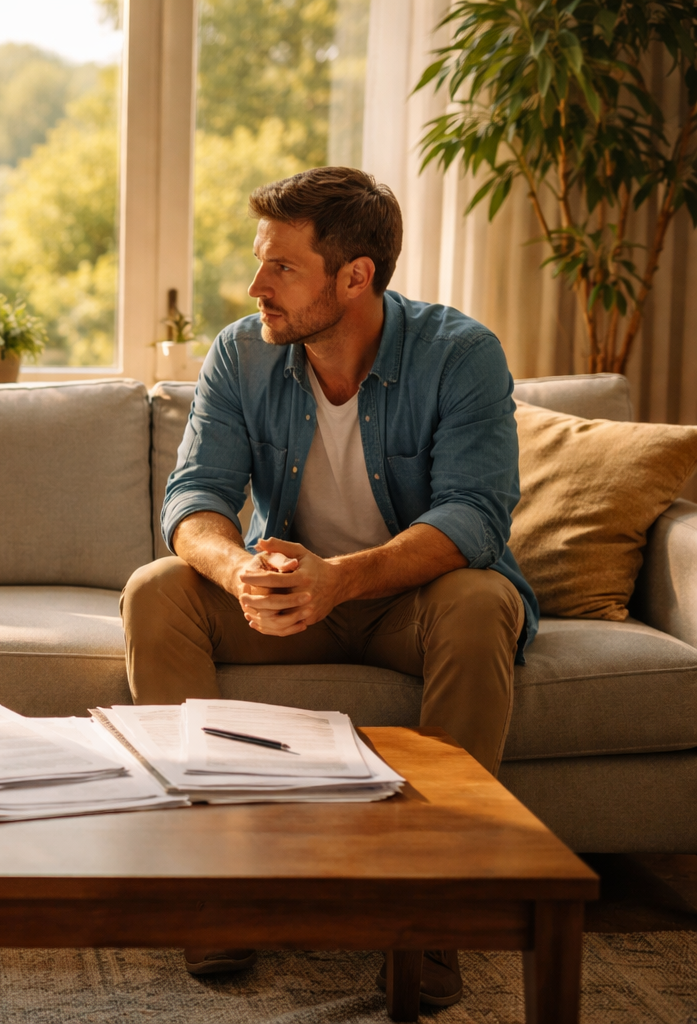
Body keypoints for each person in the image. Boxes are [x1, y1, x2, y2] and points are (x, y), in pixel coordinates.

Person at [120, 166, 537, 1007]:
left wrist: (342, 578)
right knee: (158, 589)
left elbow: (473, 518)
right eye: (258, 262)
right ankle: (218, 889)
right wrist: (241, 571)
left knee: (484, 599)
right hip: (291, 595)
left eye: (281, 267)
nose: (255, 286)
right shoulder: (242, 352)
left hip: (407, 598)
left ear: (357, 276)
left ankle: (427, 911)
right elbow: (195, 499)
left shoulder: (461, 354)